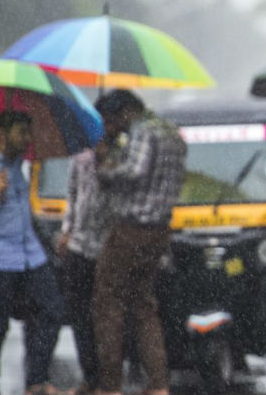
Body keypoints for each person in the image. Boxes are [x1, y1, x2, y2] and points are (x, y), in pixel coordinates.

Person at [91, 90, 186, 395]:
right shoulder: (171, 132)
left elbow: (135, 170)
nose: (110, 126)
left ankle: (110, 385)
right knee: (144, 305)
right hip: (159, 230)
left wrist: (106, 167)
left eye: (109, 119)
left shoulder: (143, 130)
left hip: (132, 228)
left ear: (124, 112)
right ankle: (158, 384)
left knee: (108, 304)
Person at [0, 110, 65, 395]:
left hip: (30, 255)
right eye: (21, 132)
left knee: (52, 310)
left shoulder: (17, 167)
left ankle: (36, 379)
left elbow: (25, 212)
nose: (26, 139)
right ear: (2, 133)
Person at [54, 133, 114, 395]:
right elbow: (72, 194)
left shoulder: (121, 162)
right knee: (80, 316)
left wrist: (106, 165)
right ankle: (90, 378)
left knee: (108, 316)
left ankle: (109, 379)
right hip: (79, 247)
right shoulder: (80, 159)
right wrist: (66, 230)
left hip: (108, 250)